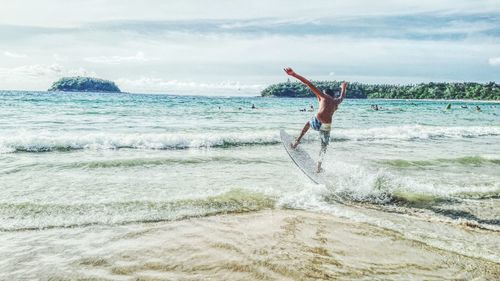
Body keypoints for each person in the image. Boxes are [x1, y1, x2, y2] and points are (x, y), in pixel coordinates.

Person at [284, 67, 348, 173]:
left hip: (318, 122)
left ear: (325, 93)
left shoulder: (323, 96)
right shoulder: (336, 101)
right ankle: (318, 167)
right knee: (323, 146)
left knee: (308, 123)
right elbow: (342, 96)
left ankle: (296, 142)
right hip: (327, 126)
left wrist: (293, 74)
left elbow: (308, 83)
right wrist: (343, 87)